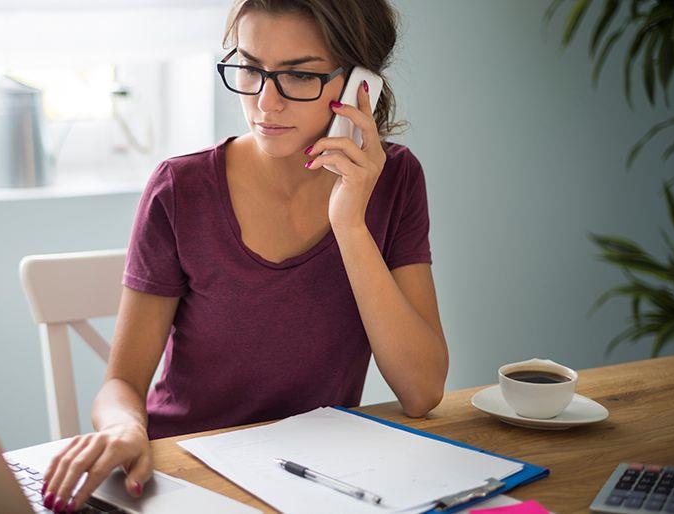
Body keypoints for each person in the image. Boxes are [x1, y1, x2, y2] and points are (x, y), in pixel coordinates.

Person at [40, 0, 448, 511]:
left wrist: (349, 223)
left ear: (359, 86)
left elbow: (422, 390)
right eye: (250, 69)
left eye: (299, 76)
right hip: (184, 473)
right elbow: (122, 382)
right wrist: (125, 427)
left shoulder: (396, 180)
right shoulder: (178, 189)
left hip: (313, 479)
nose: (265, 102)